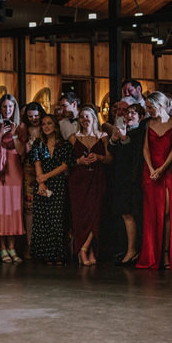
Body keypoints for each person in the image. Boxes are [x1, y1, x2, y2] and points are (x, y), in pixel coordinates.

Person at [136, 92, 172, 269]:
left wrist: (161, 169)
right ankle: (153, 255)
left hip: (168, 171)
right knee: (151, 215)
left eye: (150, 107)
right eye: (147, 108)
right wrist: (152, 169)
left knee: (168, 213)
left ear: (160, 105)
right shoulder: (146, 124)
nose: (148, 111)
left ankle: (167, 253)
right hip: (150, 171)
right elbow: (144, 148)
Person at [68, 106, 111, 266]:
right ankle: (85, 249)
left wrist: (99, 157)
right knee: (80, 216)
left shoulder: (103, 136)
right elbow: (67, 161)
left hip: (97, 179)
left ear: (94, 118)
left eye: (88, 116)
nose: (85, 120)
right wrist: (78, 161)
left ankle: (84, 248)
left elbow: (110, 159)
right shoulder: (73, 138)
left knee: (95, 215)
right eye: (82, 117)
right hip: (78, 181)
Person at [29, 115, 73, 265]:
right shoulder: (38, 144)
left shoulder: (64, 145)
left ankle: (58, 254)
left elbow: (65, 165)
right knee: (43, 219)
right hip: (42, 184)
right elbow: (37, 163)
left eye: (49, 123)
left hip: (58, 183)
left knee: (57, 219)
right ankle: (44, 254)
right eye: (43, 124)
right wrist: (41, 181)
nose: (46, 126)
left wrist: (45, 177)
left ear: (55, 125)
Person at [108, 103, 146, 265]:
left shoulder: (140, 132)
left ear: (141, 117)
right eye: (127, 113)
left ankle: (133, 249)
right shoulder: (125, 130)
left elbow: (135, 155)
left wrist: (124, 139)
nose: (129, 115)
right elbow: (114, 154)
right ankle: (128, 248)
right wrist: (114, 140)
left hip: (133, 180)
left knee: (130, 214)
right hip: (120, 178)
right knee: (123, 214)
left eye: (134, 113)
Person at [0, 94, 25, 263]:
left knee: (14, 206)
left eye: (10, 107)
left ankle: (12, 247)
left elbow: (22, 151)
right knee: (1, 206)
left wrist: (15, 134)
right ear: (0, 108)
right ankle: (2, 247)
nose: (7, 110)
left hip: (14, 167)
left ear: (14, 108)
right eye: (4, 107)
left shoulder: (20, 126)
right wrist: (0, 134)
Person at [18, 102, 45, 259]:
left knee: (45, 204)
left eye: (36, 116)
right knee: (29, 207)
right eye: (30, 117)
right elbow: (20, 153)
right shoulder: (24, 129)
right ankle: (29, 244)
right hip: (29, 168)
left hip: (45, 168)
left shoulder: (46, 127)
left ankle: (42, 244)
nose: (34, 119)